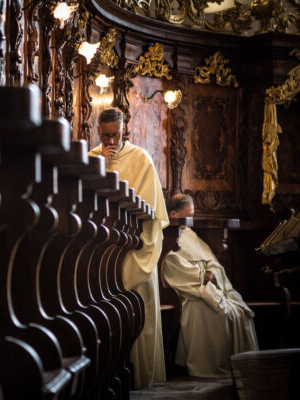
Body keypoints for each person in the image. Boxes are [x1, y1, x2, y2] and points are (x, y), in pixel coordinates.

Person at [89, 108, 169, 389]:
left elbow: (149, 212)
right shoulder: (91, 158)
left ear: (124, 130)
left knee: (139, 310)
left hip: (134, 249)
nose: (110, 141)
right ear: (98, 132)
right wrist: (99, 166)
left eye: (115, 134)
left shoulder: (141, 159)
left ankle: (138, 375)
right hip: (99, 249)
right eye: (105, 135)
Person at [164, 194, 259, 378]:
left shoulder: (189, 233)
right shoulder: (166, 236)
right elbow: (172, 266)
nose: (190, 221)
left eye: (192, 215)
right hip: (190, 293)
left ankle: (239, 365)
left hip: (209, 286)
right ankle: (212, 366)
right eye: (187, 215)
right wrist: (202, 276)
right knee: (220, 313)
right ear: (174, 214)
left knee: (240, 311)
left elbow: (212, 261)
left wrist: (213, 274)